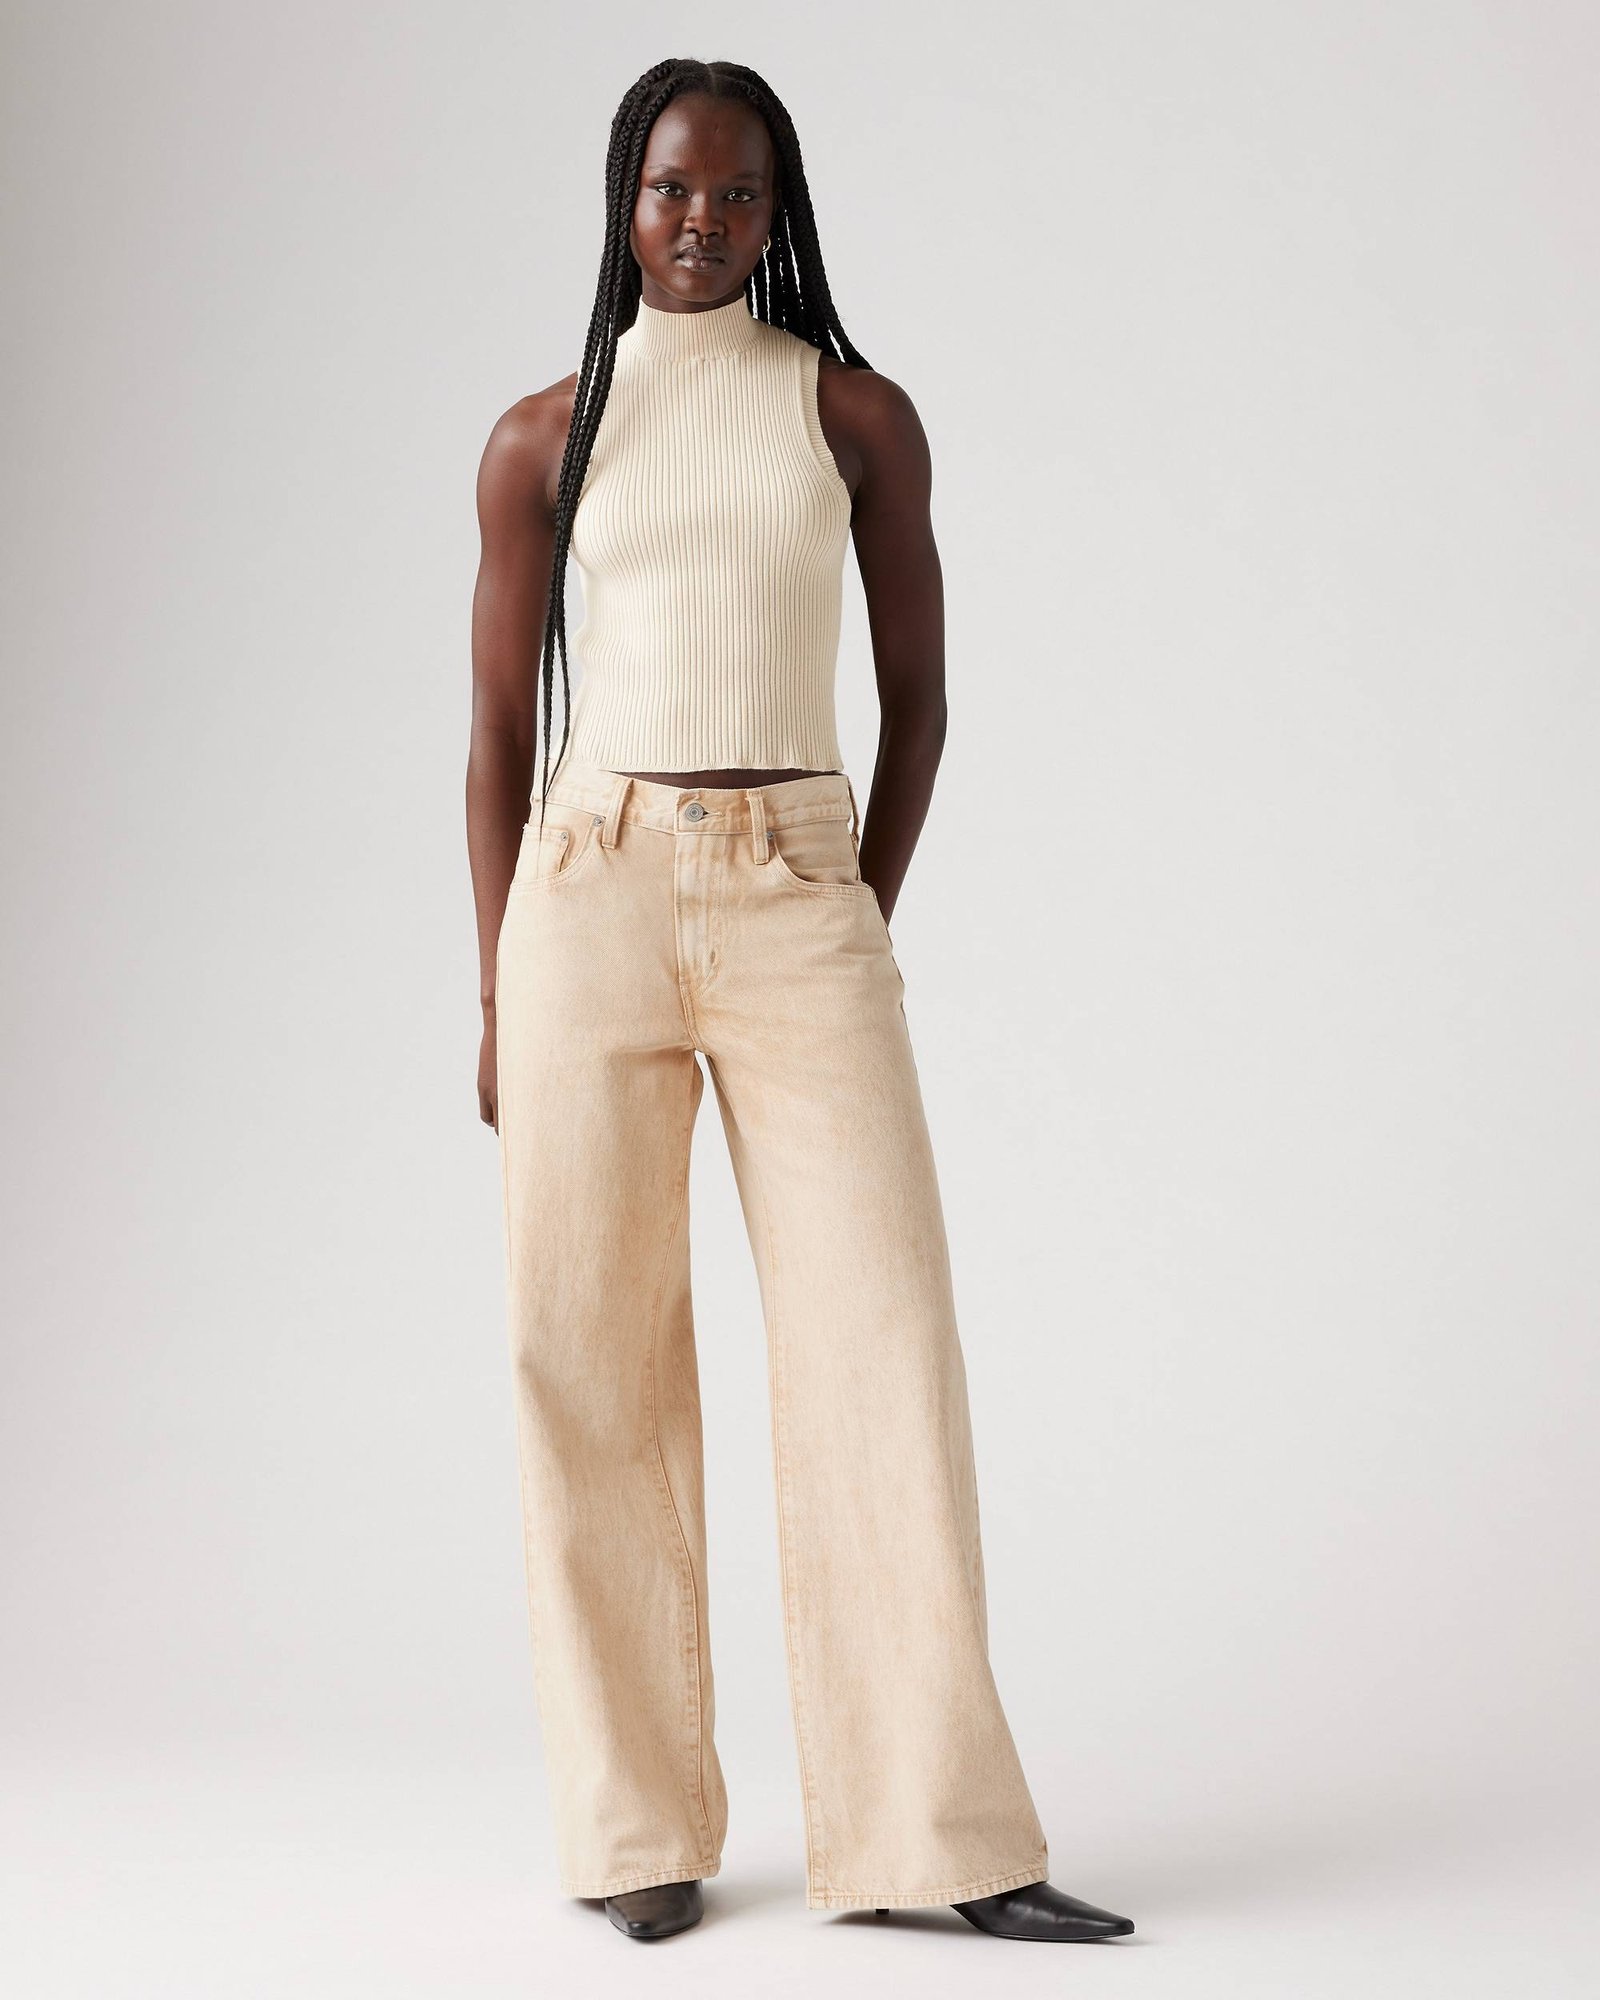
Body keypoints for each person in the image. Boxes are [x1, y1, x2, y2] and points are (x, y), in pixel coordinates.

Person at [466, 58, 1135, 1947]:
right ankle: (635, 1829)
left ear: (783, 215)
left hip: (795, 886)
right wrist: (496, 990)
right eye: (672, 189)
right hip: (584, 891)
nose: (703, 224)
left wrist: (852, 909)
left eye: (740, 195)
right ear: (624, 199)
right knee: (584, 1356)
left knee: (882, 1345)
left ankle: (943, 1838)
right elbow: (495, 731)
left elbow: (922, 701)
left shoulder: (853, 415)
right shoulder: (541, 435)